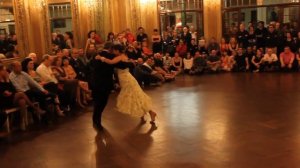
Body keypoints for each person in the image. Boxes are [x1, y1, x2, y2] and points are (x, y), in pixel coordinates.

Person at [98, 44, 157, 125]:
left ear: (118, 50)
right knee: (136, 96)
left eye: (115, 50)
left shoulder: (120, 57)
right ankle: (144, 113)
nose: (114, 52)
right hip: (126, 78)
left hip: (127, 79)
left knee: (136, 96)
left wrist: (101, 58)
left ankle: (151, 112)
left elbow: (111, 62)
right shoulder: (124, 56)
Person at [0, 64, 45, 130]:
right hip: (3, 100)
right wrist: (4, 93)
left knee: (22, 101)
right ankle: (35, 108)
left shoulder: (7, 79)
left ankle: (21, 122)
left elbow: (13, 89)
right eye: (4, 70)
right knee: (21, 94)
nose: (6, 72)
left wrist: (7, 82)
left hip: (11, 98)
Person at [88, 42, 115, 131]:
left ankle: (95, 119)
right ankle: (97, 121)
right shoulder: (110, 56)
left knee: (98, 102)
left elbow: (89, 65)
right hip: (105, 83)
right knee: (102, 103)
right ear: (111, 48)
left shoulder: (96, 55)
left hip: (95, 83)